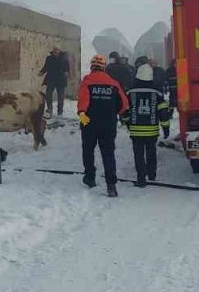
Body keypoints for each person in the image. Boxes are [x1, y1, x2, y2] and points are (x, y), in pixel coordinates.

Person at [77, 54, 128, 197]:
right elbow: (124, 105)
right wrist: (113, 113)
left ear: (92, 67)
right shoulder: (113, 83)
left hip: (89, 122)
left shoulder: (87, 82)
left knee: (88, 150)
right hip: (108, 124)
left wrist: (82, 116)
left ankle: (90, 178)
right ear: (104, 67)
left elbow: (82, 103)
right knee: (108, 153)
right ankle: (111, 185)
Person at [122, 64, 172, 187]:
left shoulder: (130, 93)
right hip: (152, 131)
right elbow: (163, 113)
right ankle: (151, 173)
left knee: (138, 154)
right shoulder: (157, 94)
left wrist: (128, 123)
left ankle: (141, 178)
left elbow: (125, 111)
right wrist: (165, 128)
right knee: (151, 151)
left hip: (135, 131)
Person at [38, 46, 70, 117]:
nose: (55, 51)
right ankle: (49, 109)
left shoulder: (64, 58)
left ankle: (60, 111)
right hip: (51, 79)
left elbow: (67, 68)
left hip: (61, 80)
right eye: (54, 50)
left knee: (60, 96)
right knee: (48, 94)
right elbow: (46, 67)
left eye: (56, 50)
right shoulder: (49, 58)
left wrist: (66, 73)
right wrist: (41, 72)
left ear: (59, 51)